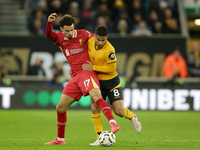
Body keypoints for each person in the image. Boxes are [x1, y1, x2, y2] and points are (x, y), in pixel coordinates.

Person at [44, 13, 120, 145]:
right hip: (75, 77)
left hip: (86, 72)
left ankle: (113, 122)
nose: (70, 33)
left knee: (97, 97)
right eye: (67, 30)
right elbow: (49, 35)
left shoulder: (83, 34)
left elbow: (99, 40)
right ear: (61, 29)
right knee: (60, 107)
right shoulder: (60, 38)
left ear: (74, 27)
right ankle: (60, 139)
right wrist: (49, 23)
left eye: (72, 29)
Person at [82, 26, 142, 146]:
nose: (100, 42)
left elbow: (111, 69)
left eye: (103, 40)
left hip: (111, 82)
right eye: (98, 39)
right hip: (97, 82)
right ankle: (99, 137)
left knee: (119, 111)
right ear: (94, 36)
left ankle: (132, 116)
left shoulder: (110, 50)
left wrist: (93, 67)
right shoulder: (89, 41)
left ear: (107, 38)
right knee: (94, 107)